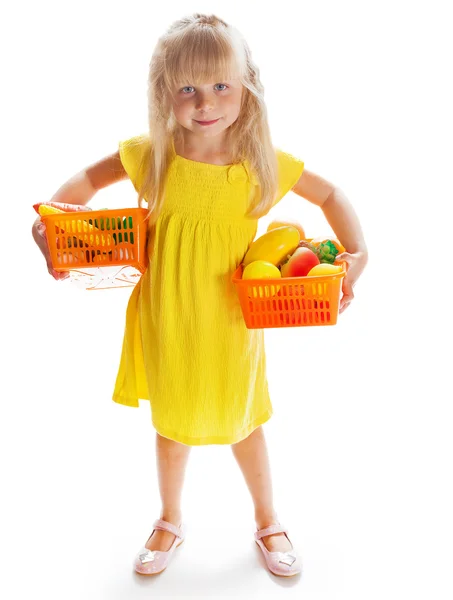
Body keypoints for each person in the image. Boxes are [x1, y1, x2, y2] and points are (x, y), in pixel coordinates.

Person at [32, 13, 368, 578]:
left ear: (246, 86)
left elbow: (330, 192)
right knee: (172, 425)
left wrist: (358, 256)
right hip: (167, 314)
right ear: (165, 90)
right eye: (187, 87)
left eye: (220, 86)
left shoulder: (259, 160)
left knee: (245, 422)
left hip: (233, 318)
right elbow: (84, 185)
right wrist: (51, 227)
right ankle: (169, 518)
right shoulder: (151, 154)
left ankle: (267, 518)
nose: (204, 101)